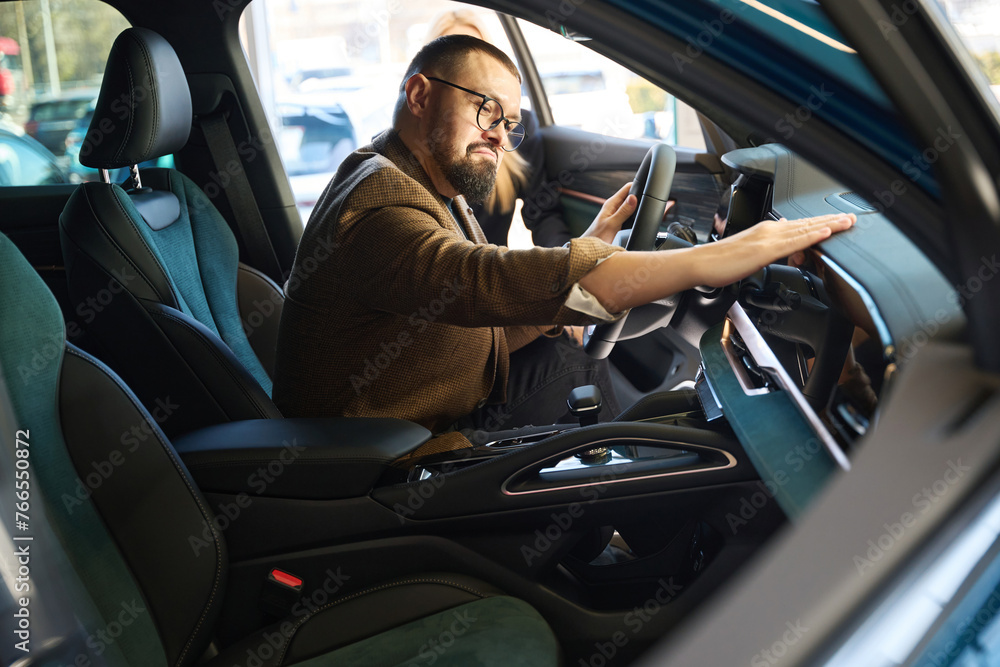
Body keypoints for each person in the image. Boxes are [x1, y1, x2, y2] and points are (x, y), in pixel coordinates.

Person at [272, 35, 854, 444]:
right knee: (584, 379)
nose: (501, 139)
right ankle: (625, 545)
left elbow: (476, 315)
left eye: (509, 124)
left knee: (576, 363)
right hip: (380, 456)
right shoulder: (380, 206)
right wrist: (716, 258)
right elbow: (481, 279)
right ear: (420, 94)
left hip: (423, 410)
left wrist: (581, 279)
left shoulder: (422, 180)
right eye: (487, 112)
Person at [424, 10, 571, 248]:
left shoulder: (519, 129)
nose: (498, 135)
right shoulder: (406, 149)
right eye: (452, 60)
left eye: (475, 57)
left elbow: (543, 215)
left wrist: (571, 262)